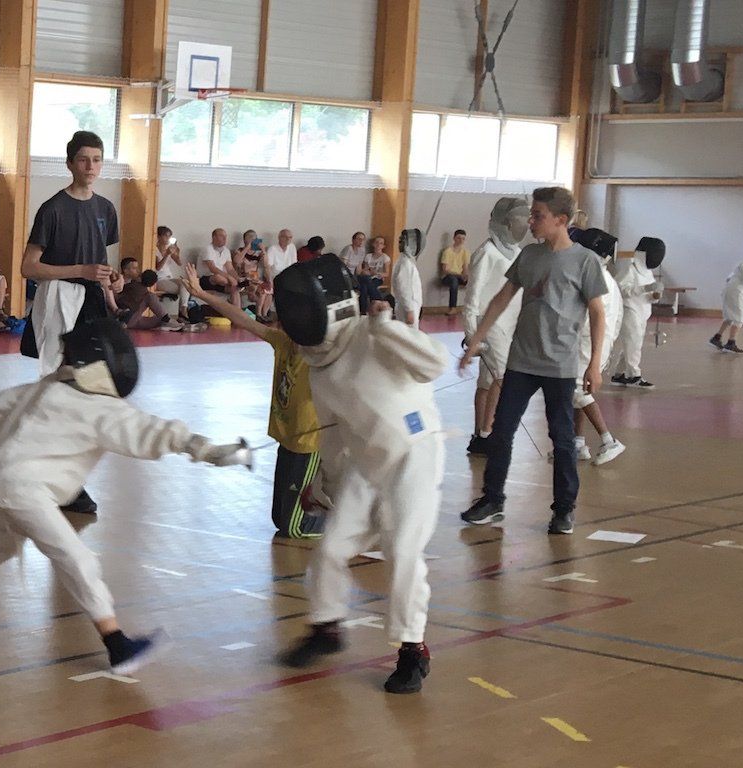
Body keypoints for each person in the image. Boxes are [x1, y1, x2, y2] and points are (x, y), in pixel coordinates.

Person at [0, 319, 252, 675]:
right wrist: (207, 450)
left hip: (2, 480)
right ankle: (117, 644)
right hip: (25, 491)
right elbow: (153, 432)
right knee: (75, 557)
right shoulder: (100, 409)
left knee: (6, 542)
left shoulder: (48, 387)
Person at [275, 255, 449, 694]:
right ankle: (327, 627)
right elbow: (334, 432)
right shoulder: (318, 365)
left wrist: (389, 329)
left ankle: (413, 649)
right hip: (364, 463)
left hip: (413, 453)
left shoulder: (373, 334)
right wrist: (325, 484)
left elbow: (435, 364)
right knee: (331, 547)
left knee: (403, 550)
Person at [458, 186, 608, 536]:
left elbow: (597, 313)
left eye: (538, 216)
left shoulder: (584, 261)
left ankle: (564, 509)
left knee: (562, 438)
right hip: (521, 361)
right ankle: (492, 499)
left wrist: (594, 363)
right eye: (531, 215)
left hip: (560, 365)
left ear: (560, 220)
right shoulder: (528, 255)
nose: (531, 222)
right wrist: (476, 338)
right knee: (501, 431)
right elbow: (501, 298)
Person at [21, 130, 122, 515]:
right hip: (60, 298)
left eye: (97, 160)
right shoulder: (53, 209)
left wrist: (112, 281)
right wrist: (79, 269)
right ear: (70, 163)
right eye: (83, 159)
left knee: (91, 390)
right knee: (59, 387)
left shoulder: (105, 209)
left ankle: (67, 477)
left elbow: (100, 261)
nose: (91, 167)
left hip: (92, 302)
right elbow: (29, 267)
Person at [181, 264, 323, 538]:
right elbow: (243, 319)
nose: (280, 323)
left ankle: (347, 521)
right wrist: (202, 294)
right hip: (287, 438)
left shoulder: (318, 354)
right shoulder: (282, 342)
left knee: (294, 528)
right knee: (278, 518)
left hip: (308, 444)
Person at [463, 197, 529, 456]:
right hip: (489, 324)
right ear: (505, 222)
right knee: (503, 377)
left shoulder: (518, 253)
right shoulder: (486, 252)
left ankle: (479, 436)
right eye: (517, 219)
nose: (522, 224)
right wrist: (471, 334)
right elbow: (472, 296)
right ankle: (488, 432)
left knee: (487, 381)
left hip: (509, 323)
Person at [566, 228, 628, 466]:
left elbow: (585, 318)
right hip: (597, 344)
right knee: (581, 392)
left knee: (577, 391)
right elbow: (618, 317)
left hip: (587, 344)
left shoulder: (594, 278)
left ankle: (608, 440)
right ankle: (578, 443)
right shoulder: (606, 277)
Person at [610, 237, 666, 387]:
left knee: (632, 344)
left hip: (642, 312)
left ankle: (619, 374)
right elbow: (620, 289)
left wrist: (655, 295)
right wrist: (645, 288)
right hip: (629, 310)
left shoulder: (647, 272)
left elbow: (647, 296)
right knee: (633, 344)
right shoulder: (630, 268)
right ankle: (634, 376)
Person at [114, 257, 185, 331]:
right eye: (134, 268)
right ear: (125, 271)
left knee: (160, 320)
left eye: (137, 268)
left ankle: (170, 322)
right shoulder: (118, 282)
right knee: (150, 296)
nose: (138, 271)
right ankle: (168, 320)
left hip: (135, 319)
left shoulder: (136, 283)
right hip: (126, 316)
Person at [153, 226, 190, 320]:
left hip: (169, 277)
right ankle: (183, 311)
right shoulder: (154, 250)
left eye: (169, 236)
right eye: (166, 236)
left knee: (186, 283)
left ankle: (183, 308)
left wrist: (177, 253)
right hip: (159, 279)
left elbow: (179, 263)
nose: (168, 238)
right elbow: (158, 267)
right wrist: (167, 255)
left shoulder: (169, 249)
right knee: (184, 288)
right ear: (159, 237)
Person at [234, 229, 272, 321]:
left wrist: (263, 250)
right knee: (258, 288)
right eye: (250, 237)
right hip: (242, 278)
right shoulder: (239, 250)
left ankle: (262, 314)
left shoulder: (258, 253)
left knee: (268, 289)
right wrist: (247, 248)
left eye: (255, 238)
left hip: (254, 278)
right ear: (245, 240)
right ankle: (258, 314)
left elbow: (266, 265)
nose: (253, 240)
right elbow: (236, 261)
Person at [198, 228, 242, 304]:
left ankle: (237, 310)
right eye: (221, 236)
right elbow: (213, 269)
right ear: (214, 237)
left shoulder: (226, 251)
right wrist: (230, 278)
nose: (225, 238)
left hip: (220, 282)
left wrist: (238, 279)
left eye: (225, 236)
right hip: (205, 279)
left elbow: (230, 269)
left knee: (235, 289)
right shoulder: (208, 249)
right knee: (219, 278)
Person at [392, 229, 424, 328]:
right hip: (407, 306)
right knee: (409, 335)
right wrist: (409, 309)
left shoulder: (407, 261)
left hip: (408, 305)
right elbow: (403, 288)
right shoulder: (405, 263)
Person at [439, 229, 470, 314]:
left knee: (475, 280)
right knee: (454, 281)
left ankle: (472, 307)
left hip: (460, 276)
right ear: (454, 238)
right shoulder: (447, 251)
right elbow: (445, 270)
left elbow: (465, 267)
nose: (461, 241)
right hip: (448, 277)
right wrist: (459, 275)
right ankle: (452, 308)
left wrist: (465, 276)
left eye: (463, 239)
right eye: (459, 238)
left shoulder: (465, 252)